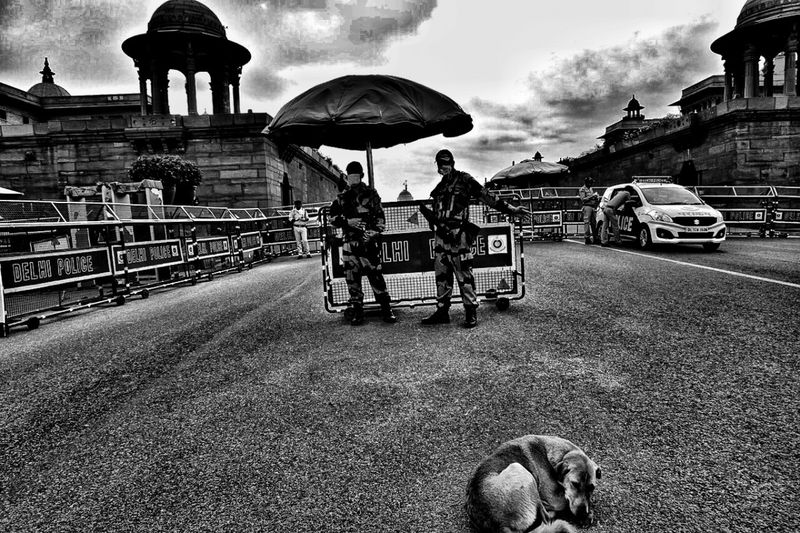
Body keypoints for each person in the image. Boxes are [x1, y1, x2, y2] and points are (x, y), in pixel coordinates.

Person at [421, 149, 531, 328]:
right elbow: (437, 211)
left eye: (446, 163)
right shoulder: (440, 187)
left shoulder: (464, 180)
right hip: (441, 238)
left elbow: (487, 196)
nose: (443, 167)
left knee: (464, 275)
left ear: (452, 163)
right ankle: (442, 311)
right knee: (442, 277)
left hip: (458, 236)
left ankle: (470, 311)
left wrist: (511, 209)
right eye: (440, 164)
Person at [329, 161, 397, 326]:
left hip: (368, 243)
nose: (353, 179)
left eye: (355, 175)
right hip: (349, 244)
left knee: (376, 277)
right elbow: (332, 219)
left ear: (361, 176)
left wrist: (372, 233)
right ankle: (358, 311)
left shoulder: (371, 194)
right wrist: (347, 222)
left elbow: (380, 219)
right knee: (352, 279)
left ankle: (386, 308)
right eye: (350, 176)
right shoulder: (342, 197)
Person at [579, 176, 600, 245]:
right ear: (587, 183)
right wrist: (592, 196)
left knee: (594, 223)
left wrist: (596, 197)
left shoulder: (590, 189)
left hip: (592, 206)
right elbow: (583, 199)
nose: (591, 184)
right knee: (587, 222)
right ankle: (587, 238)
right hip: (587, 206)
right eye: (590, 182)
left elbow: (591, 197)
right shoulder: (582, 189)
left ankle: (595, 237)